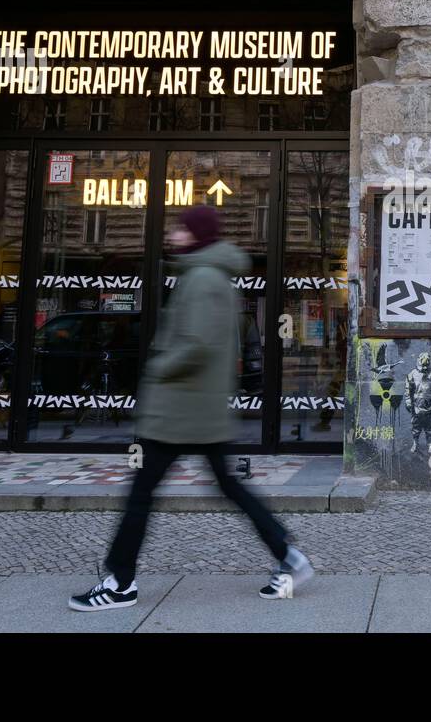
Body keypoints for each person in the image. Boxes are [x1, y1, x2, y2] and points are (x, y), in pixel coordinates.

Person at [70, 205, 313, 611]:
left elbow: (196, 344)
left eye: (181, 229)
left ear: (195, 234)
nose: (174, 235)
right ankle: (290, 557)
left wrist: (156, 366)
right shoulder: (209, 276)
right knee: (228, 487)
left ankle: (120, 583)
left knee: (141, 494)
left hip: (180, 410)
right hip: (199, 410)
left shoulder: (201, 278)